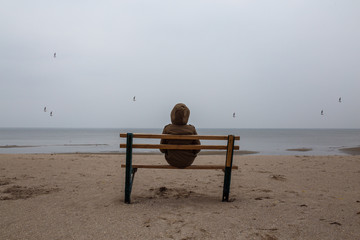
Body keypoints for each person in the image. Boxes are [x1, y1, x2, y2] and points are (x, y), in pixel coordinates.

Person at [160, 103, 200, 168]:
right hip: (188, 161)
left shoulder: (167, 128)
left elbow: (162, 149)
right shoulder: (191, 129)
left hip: (171, 160)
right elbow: (197, 149)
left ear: (172, 115)